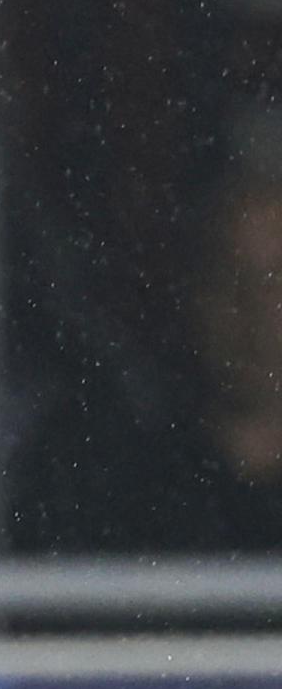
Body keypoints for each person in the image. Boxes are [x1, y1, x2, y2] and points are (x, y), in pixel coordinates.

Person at [15, 173, 282, 553]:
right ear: (195, 292)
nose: (251, 309)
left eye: (274, 280)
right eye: (229, 277)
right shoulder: (125, 480)